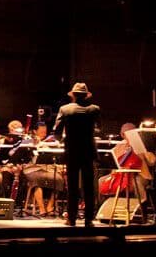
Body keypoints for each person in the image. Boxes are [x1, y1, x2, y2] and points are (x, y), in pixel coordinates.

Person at [53, 82, 101, 227]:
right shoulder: (95, 109)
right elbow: (99, 129)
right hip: (88, 150)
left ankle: (71, 218)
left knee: (72, 186)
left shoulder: (65, 109)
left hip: (72, 150)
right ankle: (88, 219)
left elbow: (56, 132)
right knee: (89, 186)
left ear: (73, 95)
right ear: (86, 95)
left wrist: (62, 139)